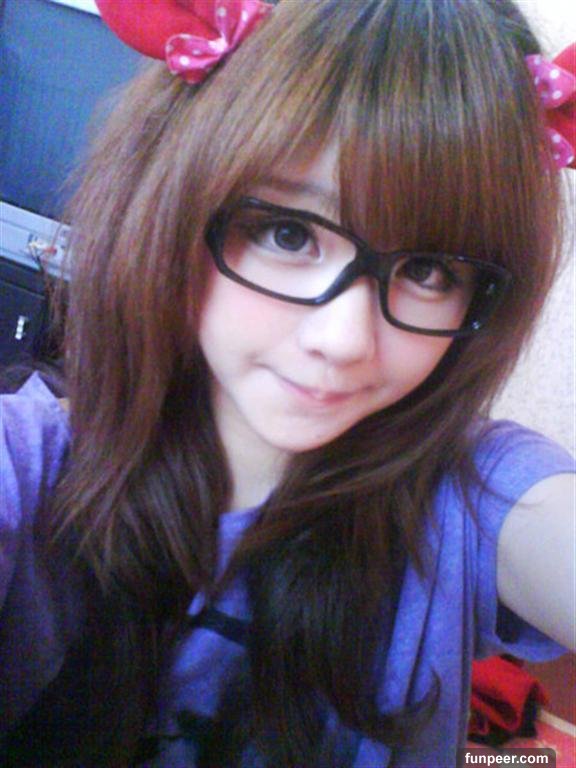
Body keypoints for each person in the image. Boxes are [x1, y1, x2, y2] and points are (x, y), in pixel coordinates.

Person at [0, 0, 575, 766]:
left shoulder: (470, 503)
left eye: (429, 270)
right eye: (289, 233)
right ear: (175, 204)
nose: (344, 340)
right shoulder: (29, 464)